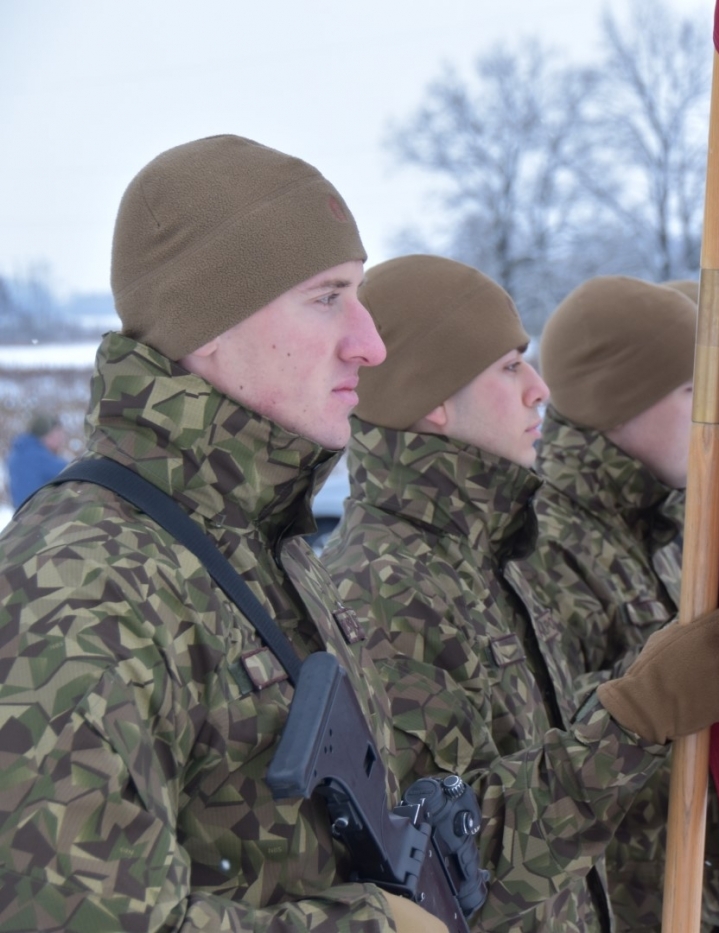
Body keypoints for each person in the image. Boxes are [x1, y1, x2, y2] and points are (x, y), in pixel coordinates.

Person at [0, 135, 450, 931]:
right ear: (208, 324)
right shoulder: (83, 578)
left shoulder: (259, 538)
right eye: (327, 296)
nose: (370, 343)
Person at [320, 255, 719, 933]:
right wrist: (635, 716)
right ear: (434, 395)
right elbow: (445, 869)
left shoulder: (488, 560)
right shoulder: (382, 591)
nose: (541, 389)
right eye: (510, 366)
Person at [532, 275, 719, 932]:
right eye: (689, 390)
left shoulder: (659, 524)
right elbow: (543, 745)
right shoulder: (541, 543)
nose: (713, 409)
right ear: (618, 407)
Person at [5, 412, 69, 503]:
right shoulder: (39, 457)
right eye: (57, 434)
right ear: (46, 435)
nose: (61, 439)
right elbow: (73, 472)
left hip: (22, 514)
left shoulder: (18, 452)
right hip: (40, 514)